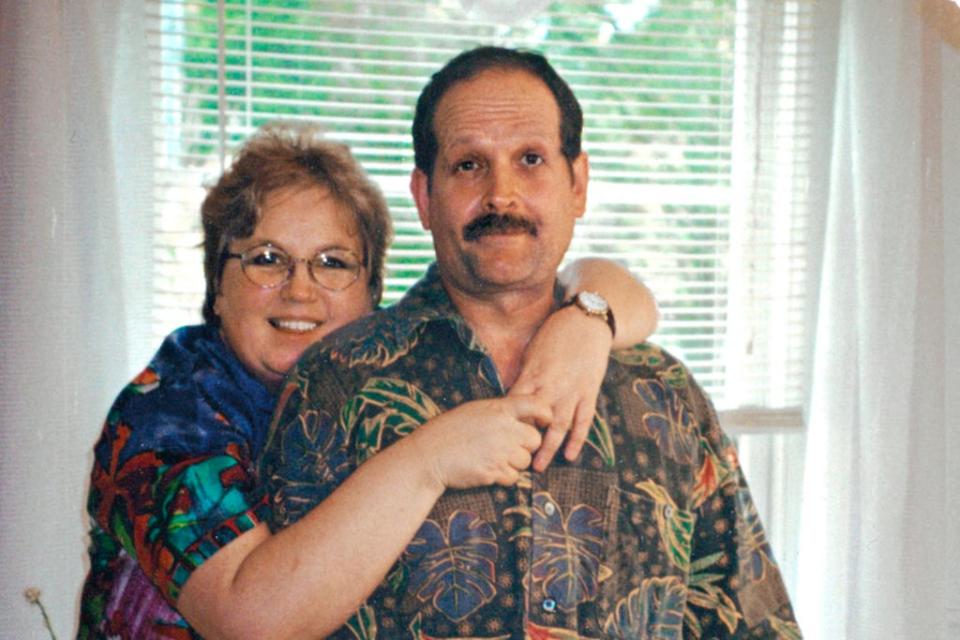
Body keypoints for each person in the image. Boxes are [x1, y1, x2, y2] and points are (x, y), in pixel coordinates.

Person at [261, 47, 801, 639]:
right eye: (469, 165)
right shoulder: (335, 386)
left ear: (577, 185)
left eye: (531, 159)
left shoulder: (664, 396)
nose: (501, 195)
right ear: (424, 196)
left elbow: (749, 623)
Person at [78, 123, 660, 639]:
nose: (300, 290)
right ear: (217, 285)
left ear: (372, 294)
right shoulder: (166, 414)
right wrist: (430, 459)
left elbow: (618, 290)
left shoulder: (380, 372)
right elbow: (249, 618)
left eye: (333, 263)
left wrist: (586, 321)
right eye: (265, 258)